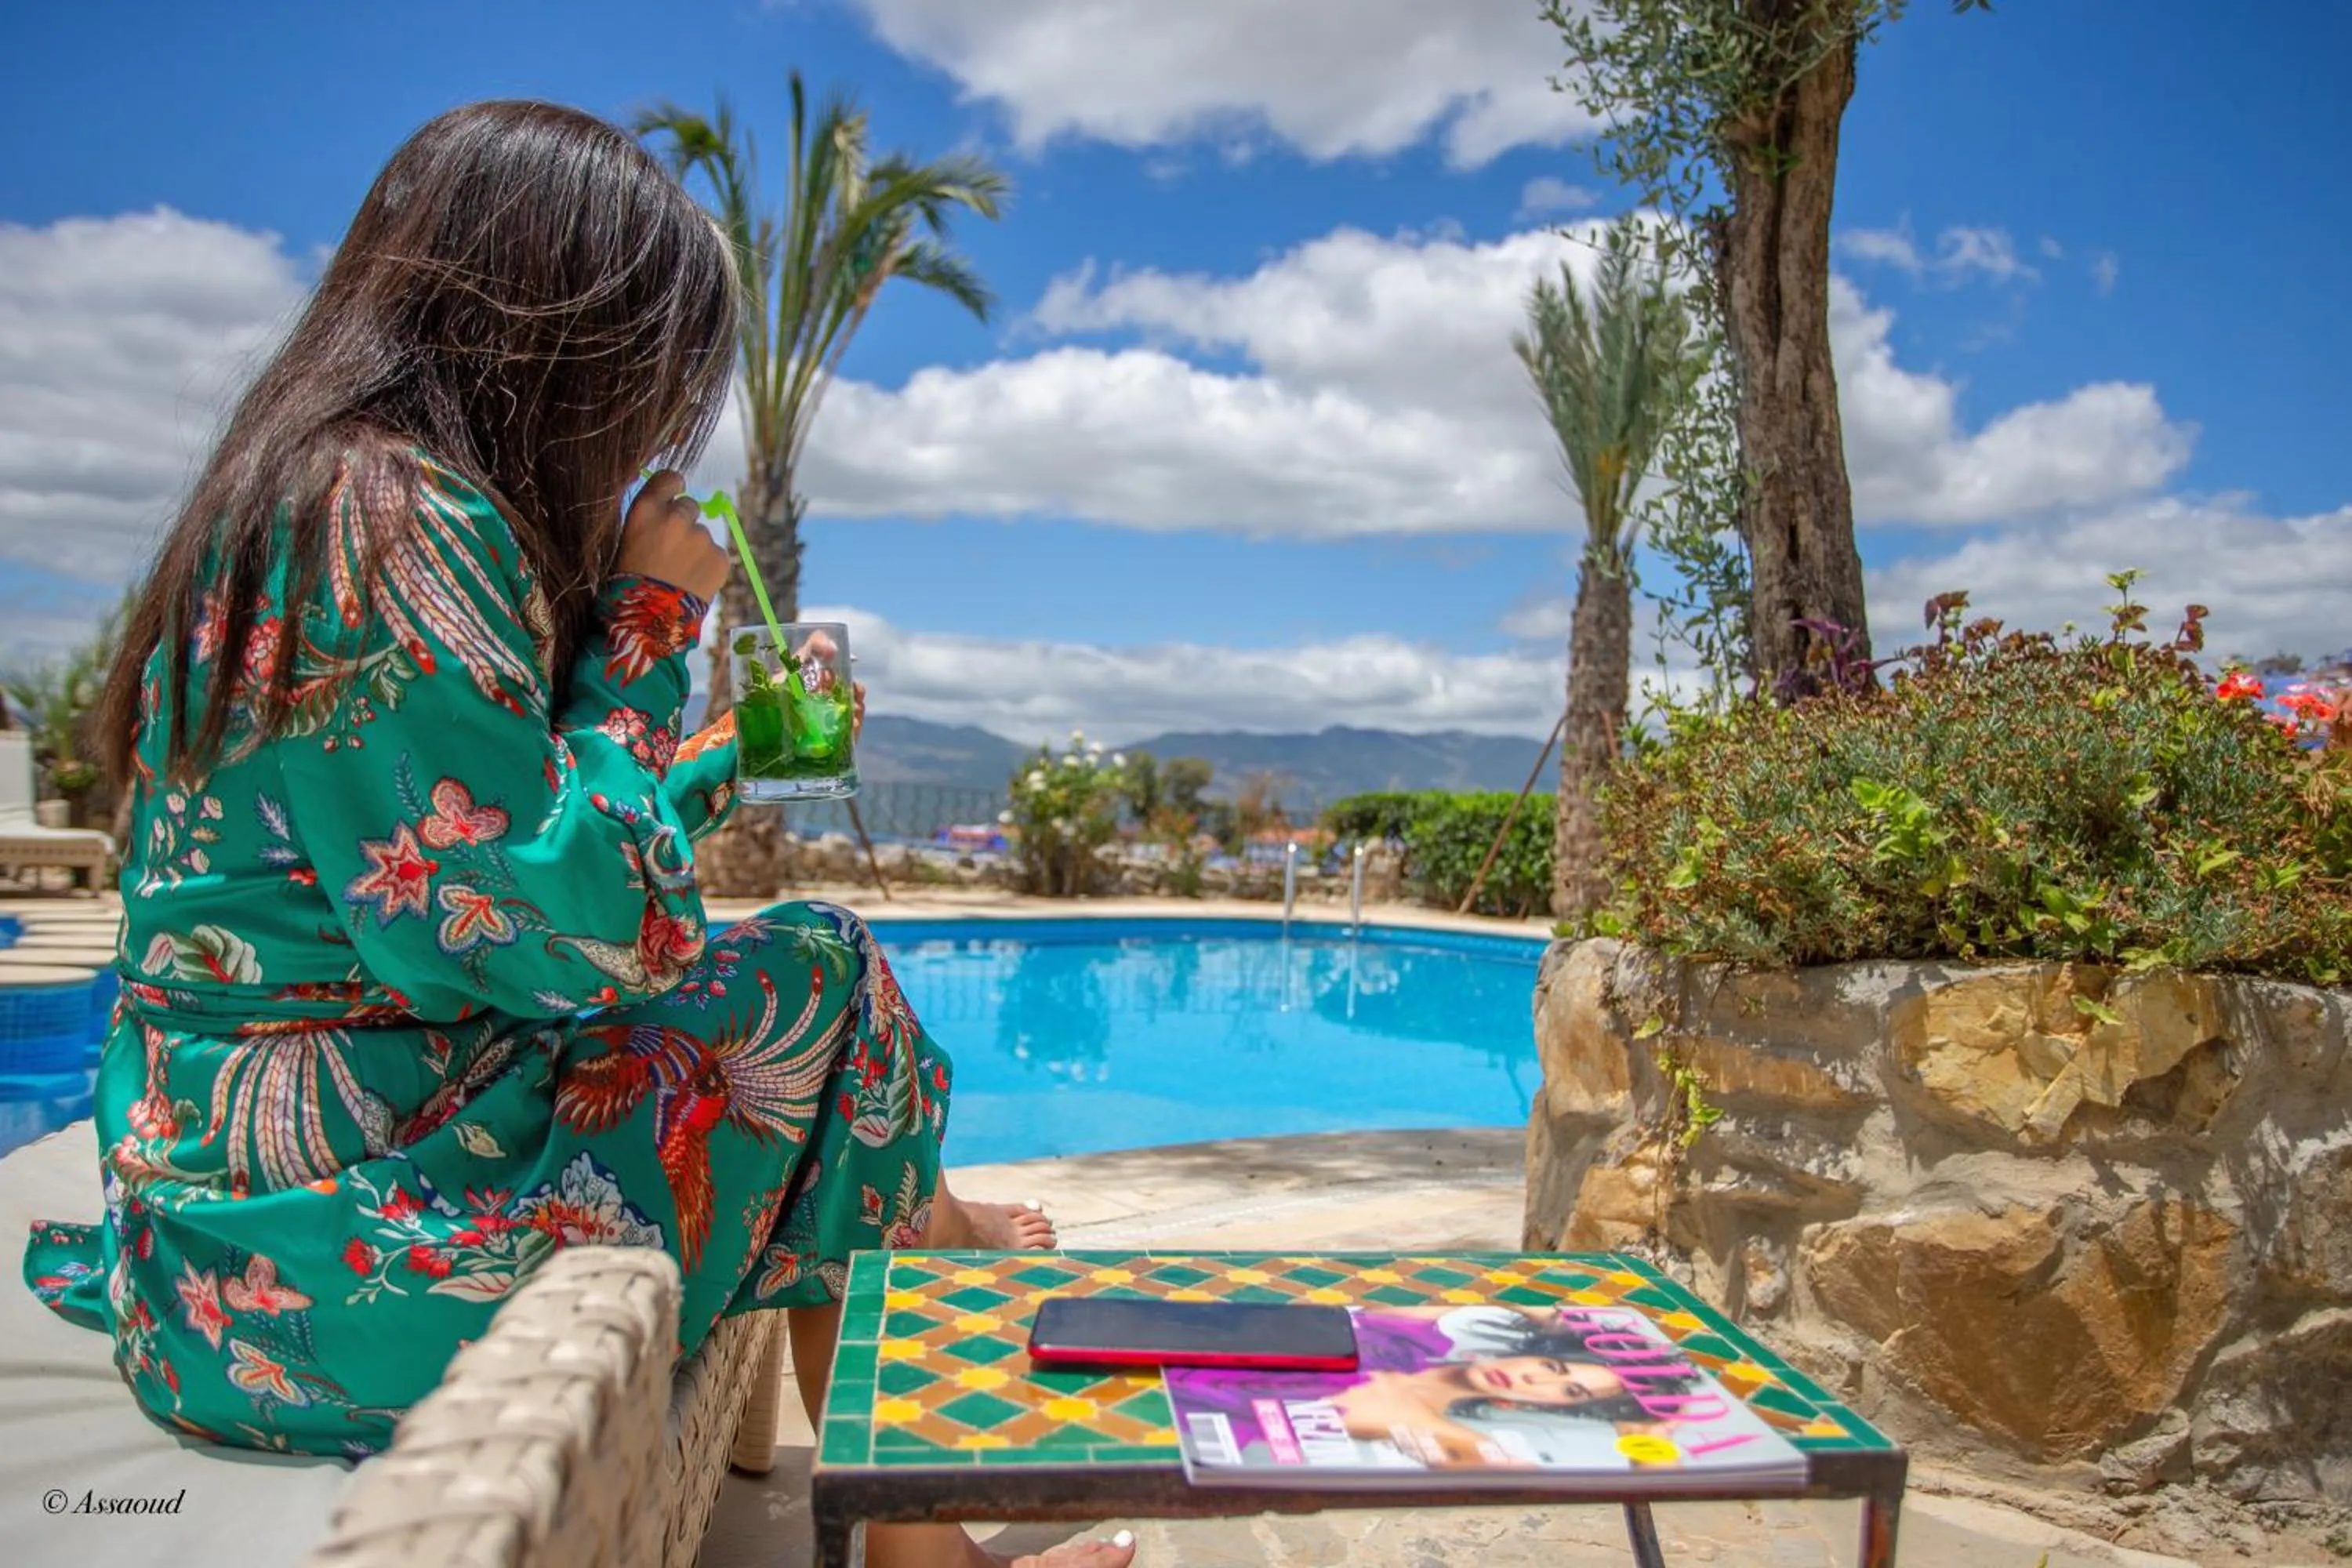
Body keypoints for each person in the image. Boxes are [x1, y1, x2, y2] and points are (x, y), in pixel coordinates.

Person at [16, 100, 1128, 1568]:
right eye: (650, 380)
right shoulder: (391, 525)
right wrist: (655, 625)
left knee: (803, 997)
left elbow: (486, 853)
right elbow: (580, 939)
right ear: (559, 340)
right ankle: (921, 1510)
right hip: (349, 1271)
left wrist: (722, 757)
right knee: (825, 979)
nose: (651, 429)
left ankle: (917, 1286)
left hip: (225, 1248)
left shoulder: (310, 495)